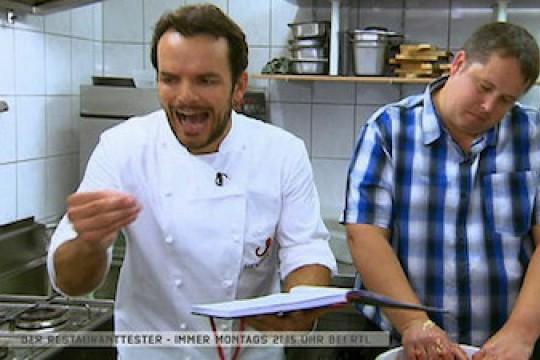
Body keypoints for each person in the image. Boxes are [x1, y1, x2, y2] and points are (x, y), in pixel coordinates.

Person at [46, 4, 336, 360]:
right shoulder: (123, 148)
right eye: (171, 78)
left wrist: (301, 308)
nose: (185, 97)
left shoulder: (282, 153)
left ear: (238, 86)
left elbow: (305, 251)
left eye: (206, 80)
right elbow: (73, 283)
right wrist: (90, 243)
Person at [344, 22, 540, 360]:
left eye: (505, 100)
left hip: (506, 345)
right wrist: (414, 323)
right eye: (483, 87)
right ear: (458, 64)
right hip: (400, 339)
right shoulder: (388, 130)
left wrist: (521, 333)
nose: (488, 106)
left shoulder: (538, 138)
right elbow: (364, 234)